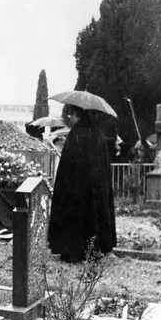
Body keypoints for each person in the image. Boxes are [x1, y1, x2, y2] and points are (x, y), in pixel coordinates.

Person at [48, 105, 116, 262]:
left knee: (76, 219)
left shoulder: (76, 134)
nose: (69, 118)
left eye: (71, 115)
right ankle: (96, 250)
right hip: (96, 190)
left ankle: (74, 251)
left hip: (76, 190)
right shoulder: (98, 134)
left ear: (77, 115)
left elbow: (68, 167)